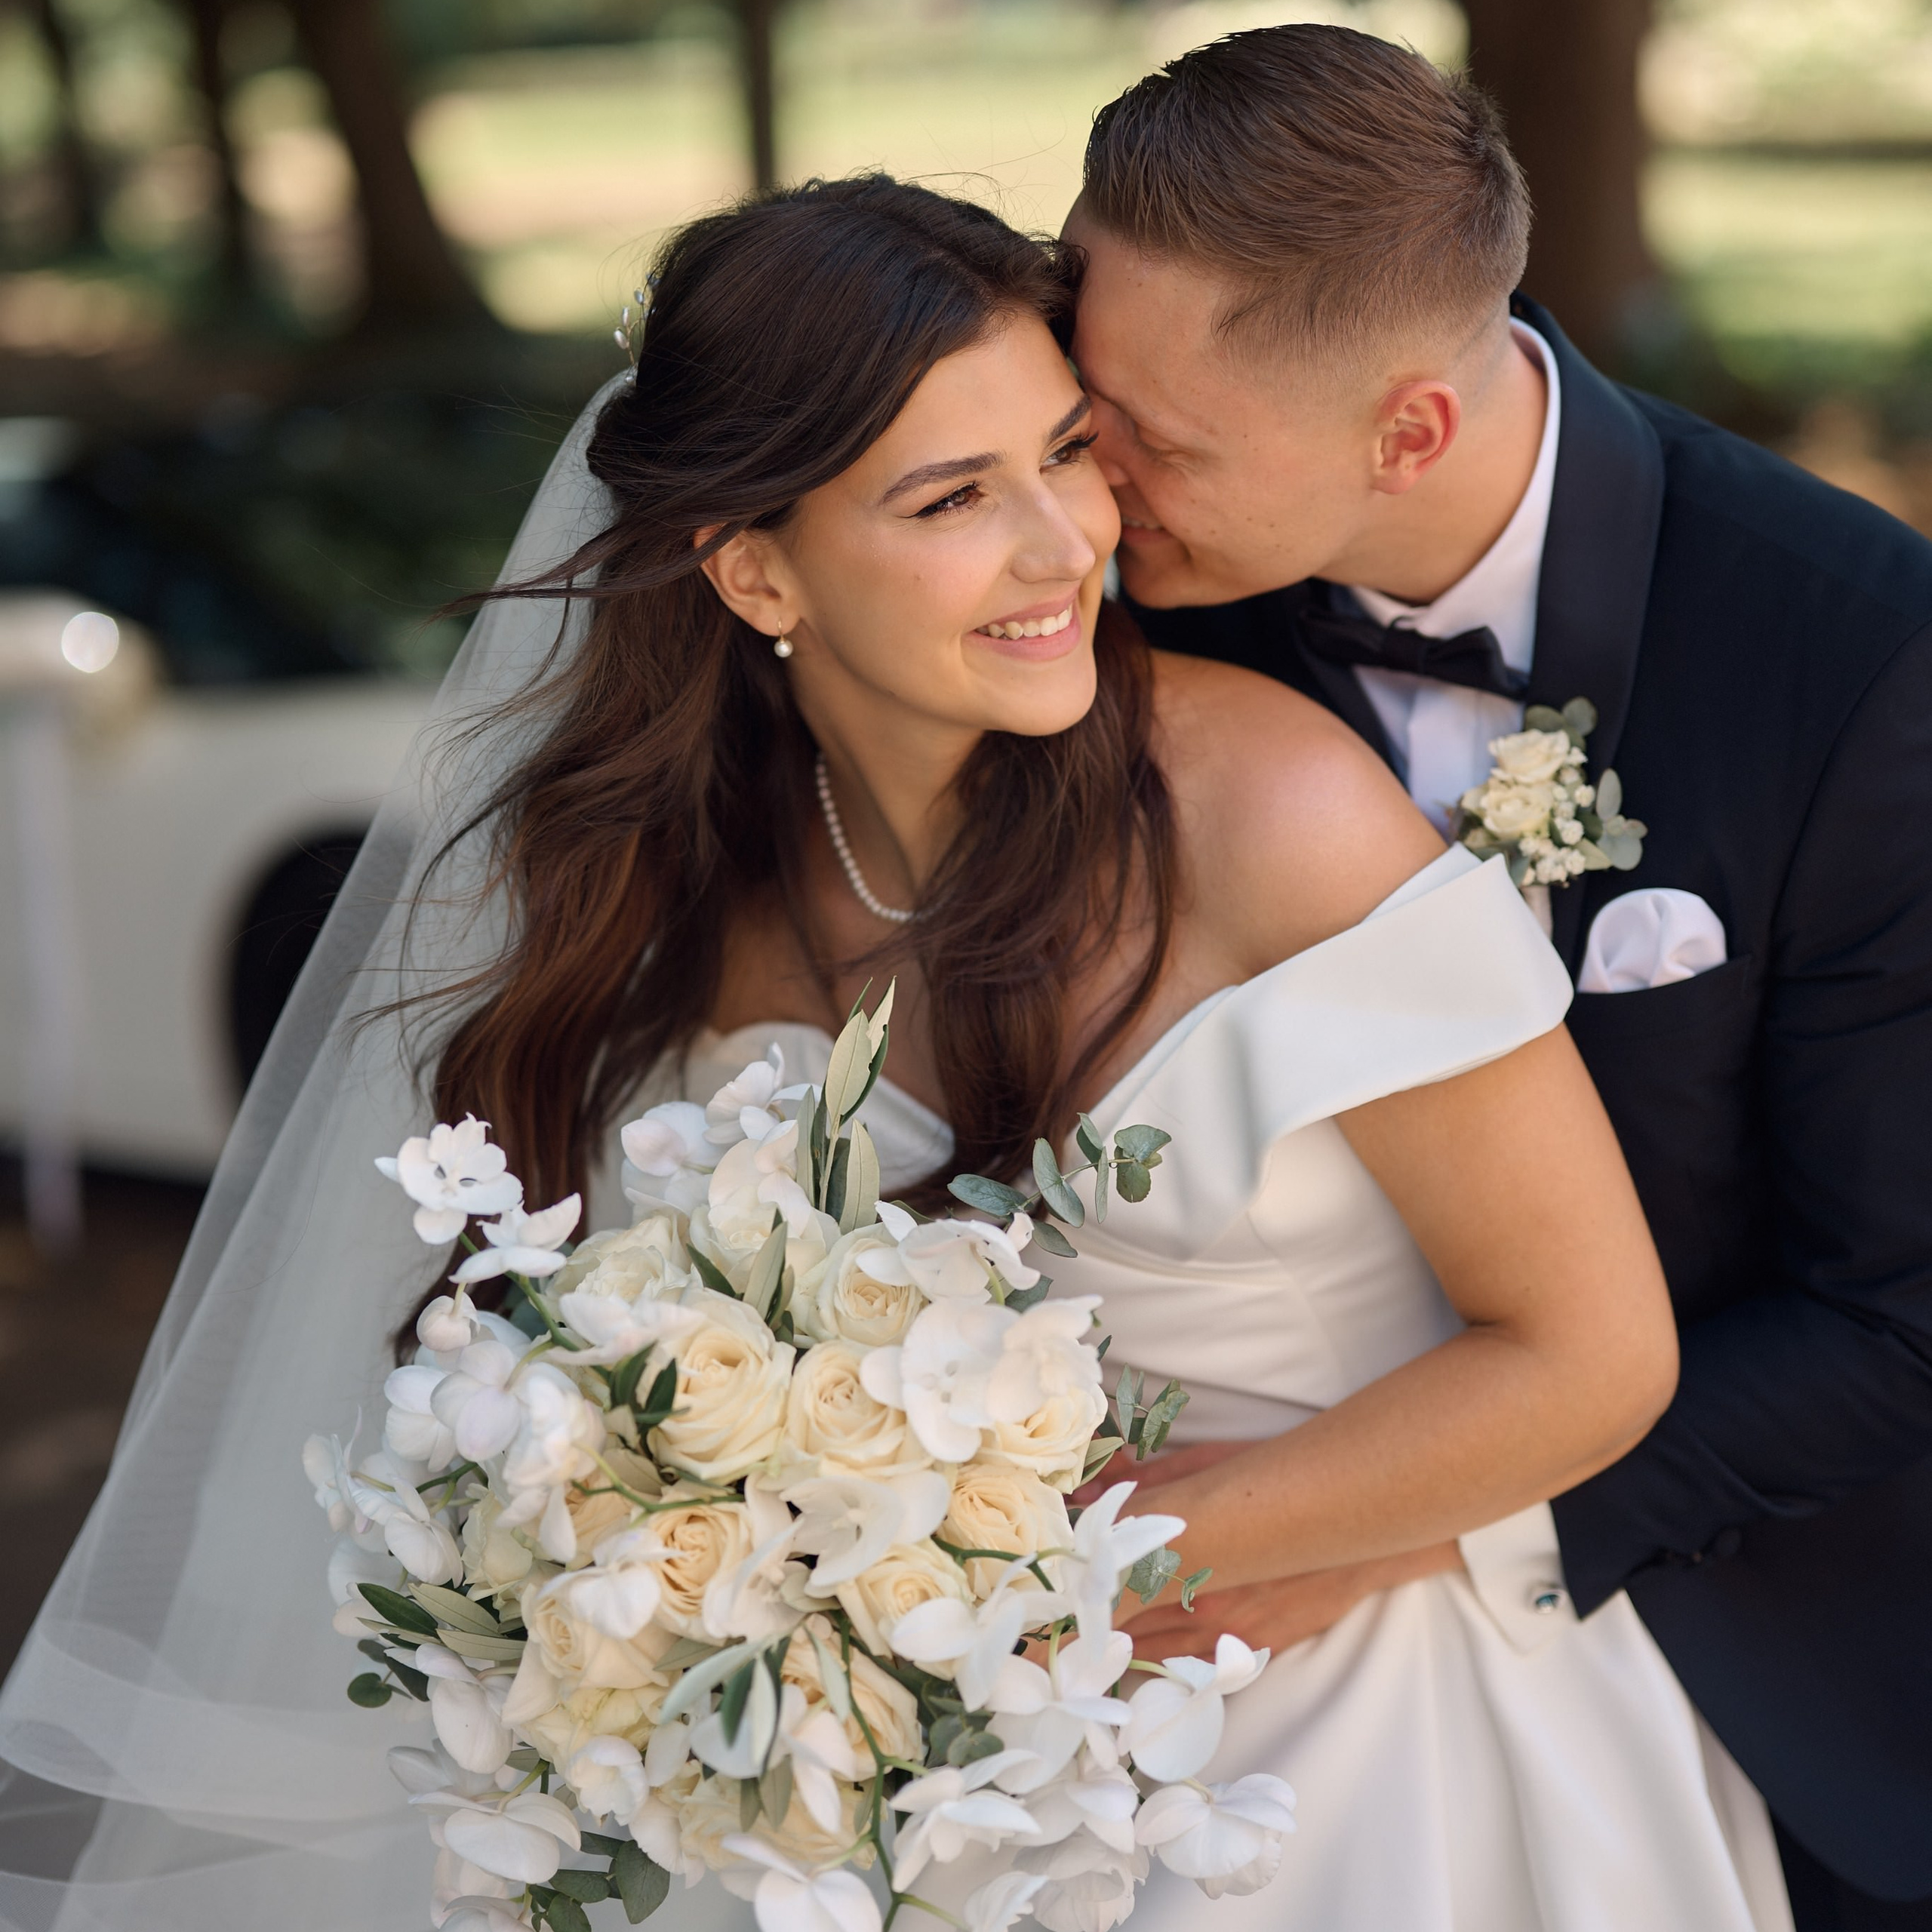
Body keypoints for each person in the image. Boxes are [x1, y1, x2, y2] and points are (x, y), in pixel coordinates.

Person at [0, 177, 1757, 1932]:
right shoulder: (689, 893)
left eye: (1066, 452)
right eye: (948, 496)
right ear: (755, 566)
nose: (1063, 543)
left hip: (1375, 1750)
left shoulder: (1269, 813)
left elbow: (1590, 1353)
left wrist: (1036, 1572)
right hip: (908, 1795)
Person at [1062, 24, 1932, 1932]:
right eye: (1081, 402)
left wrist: (1421, 1515)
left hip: (1773, 1665)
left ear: (1404, 434)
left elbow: (1899, 1315)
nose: (1087, 489)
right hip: (1210, 1717)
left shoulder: (1859, 664)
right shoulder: (1108, 622)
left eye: (1154, 444)